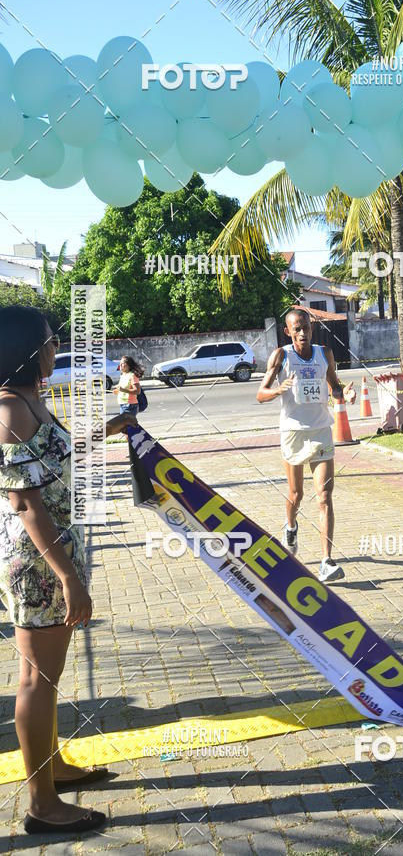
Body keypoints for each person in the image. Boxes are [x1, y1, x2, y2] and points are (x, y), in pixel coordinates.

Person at [0, 305, 137, 836]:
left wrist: (109, 427)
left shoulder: (30, 400)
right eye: (50, 342)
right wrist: (68, 577)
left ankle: (52, 767)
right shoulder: (9, 409)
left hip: (51, 556)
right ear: (28, 351)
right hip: (38, 564)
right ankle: (41, 804)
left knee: (47, 677)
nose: (57, 349)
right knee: (35, 678)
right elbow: (25, 503)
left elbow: (55, 457)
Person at [257, 308, 356, 583]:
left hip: (322, 430)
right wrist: (277, 390)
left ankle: (326, 561)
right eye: (297, 328)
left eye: (307, 328)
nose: (303, 333)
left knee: (324, 497)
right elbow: (260, 393)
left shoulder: (324, 353)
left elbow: (335, 386)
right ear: (288, 331)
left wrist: (345, 392)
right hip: (292, 432)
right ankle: (290, 526)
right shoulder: (281, 355)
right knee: (296, 494)